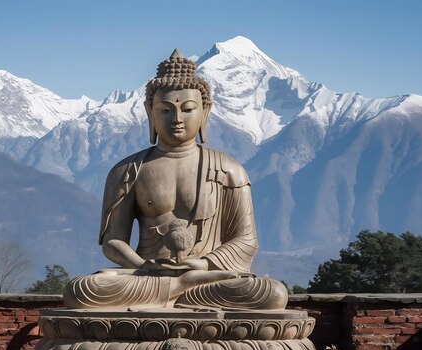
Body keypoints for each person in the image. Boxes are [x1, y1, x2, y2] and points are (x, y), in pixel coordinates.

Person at [63, 50, 287, 311]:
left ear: (205, 112)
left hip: (206, 277)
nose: (177, 119)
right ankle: (177, 293)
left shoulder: (229, 169)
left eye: (188, 109)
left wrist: (203, 264)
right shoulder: (128, 170)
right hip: (147, 275)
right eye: (166, 110)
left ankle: (176, 293)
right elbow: (113, 241)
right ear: (150, 113)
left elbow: (246, 240)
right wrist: (143, 266)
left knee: (273, 294)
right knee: (81, 290)